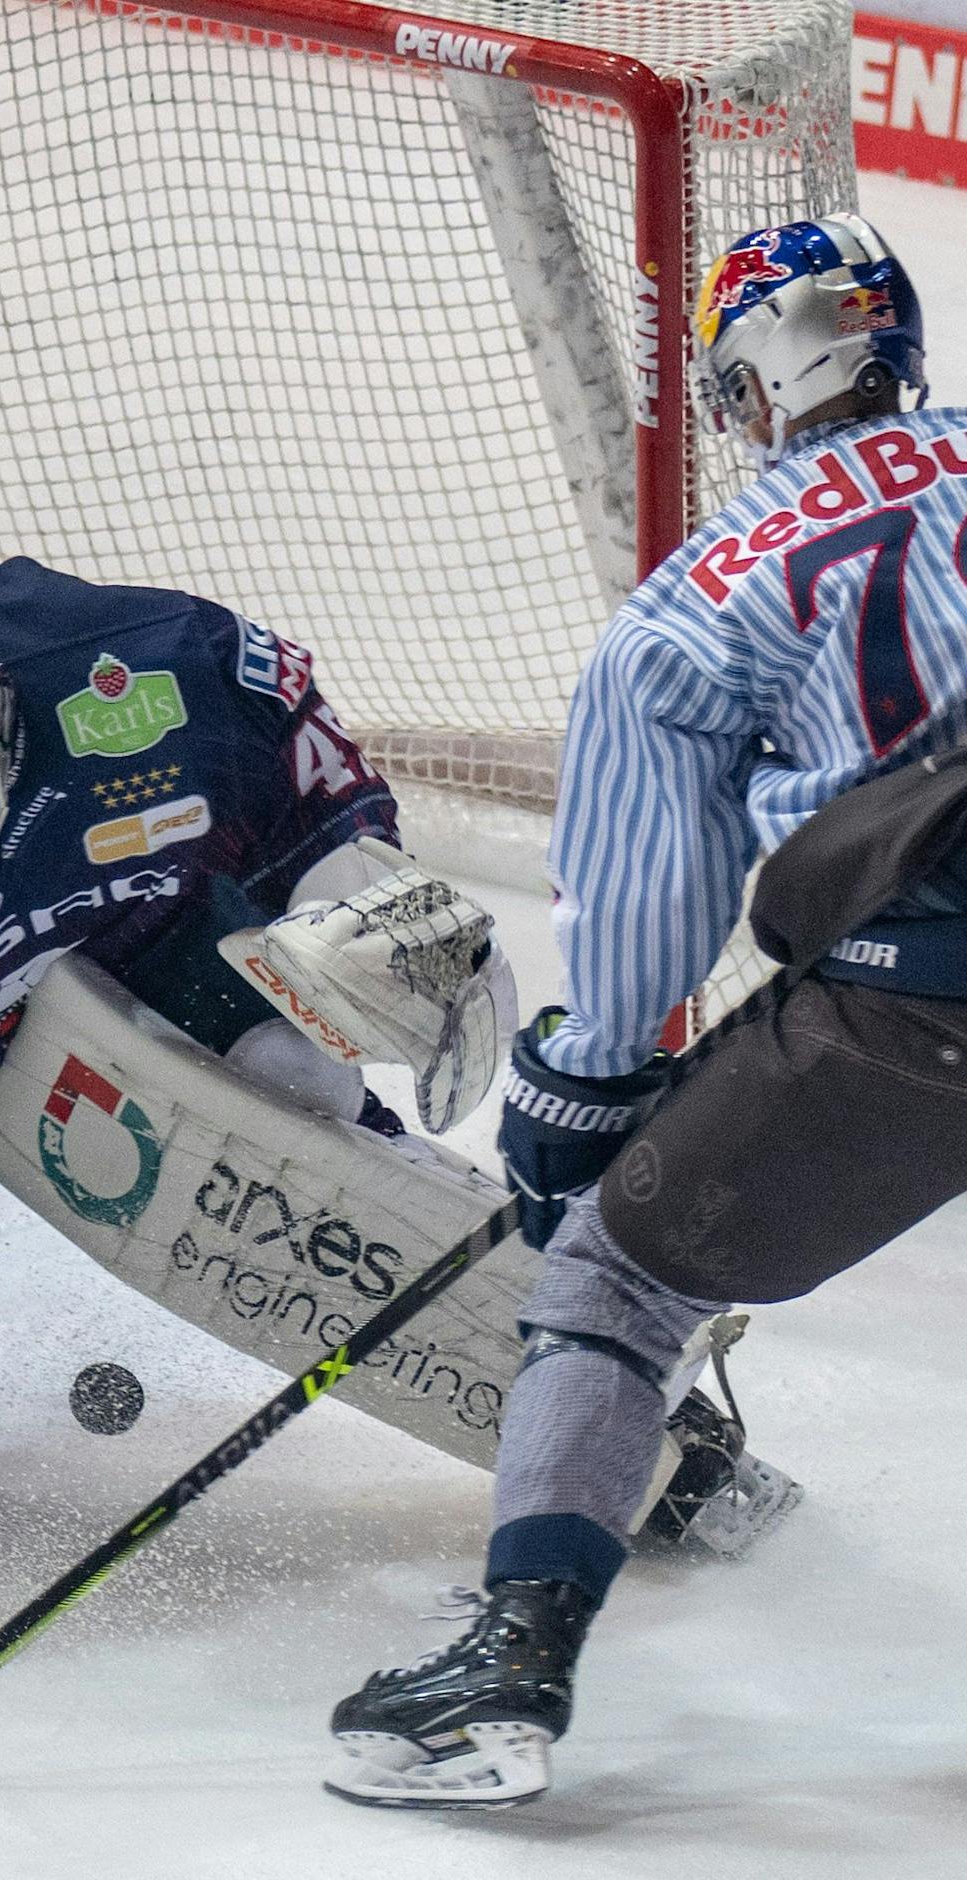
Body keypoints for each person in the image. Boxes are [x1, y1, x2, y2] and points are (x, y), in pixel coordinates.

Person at [324, 213, 961, 1809]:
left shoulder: (703, 598)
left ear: (748, 387)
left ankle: (505, 1675)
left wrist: (583, 1083)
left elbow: (639, 909)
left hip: (921, 1016)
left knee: (611, 1278)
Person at [0, 555, 501, 1243]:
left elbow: (279, 704)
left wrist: (372, 896)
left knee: (294, 1070)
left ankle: (383, 1172)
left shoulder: (146, 671)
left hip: (132, 942)